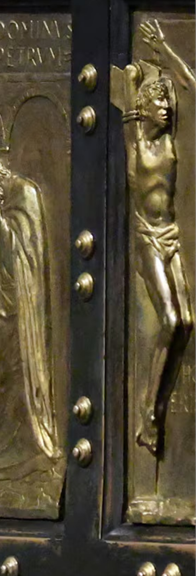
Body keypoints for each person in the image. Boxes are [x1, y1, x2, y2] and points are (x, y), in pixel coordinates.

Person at [119, 22, 194, 453]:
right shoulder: (135, 143)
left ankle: (156, 408)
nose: (165, 107)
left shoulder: (170, 143)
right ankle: (148, 413)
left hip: (171, 235)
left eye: (167, 101)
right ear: (143, 108)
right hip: (147, 237)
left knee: (187, 322)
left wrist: (164, 48)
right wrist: (132, 80)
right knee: (170, 320)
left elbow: (190, 86)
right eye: (158, 101)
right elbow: (126, 88)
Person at [0, 155, 59, 480]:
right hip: (4, 306)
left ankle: (26, 451)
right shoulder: (5, 203)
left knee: (12, 374)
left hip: (23, 310)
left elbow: (24, 258)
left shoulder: (24, 194)